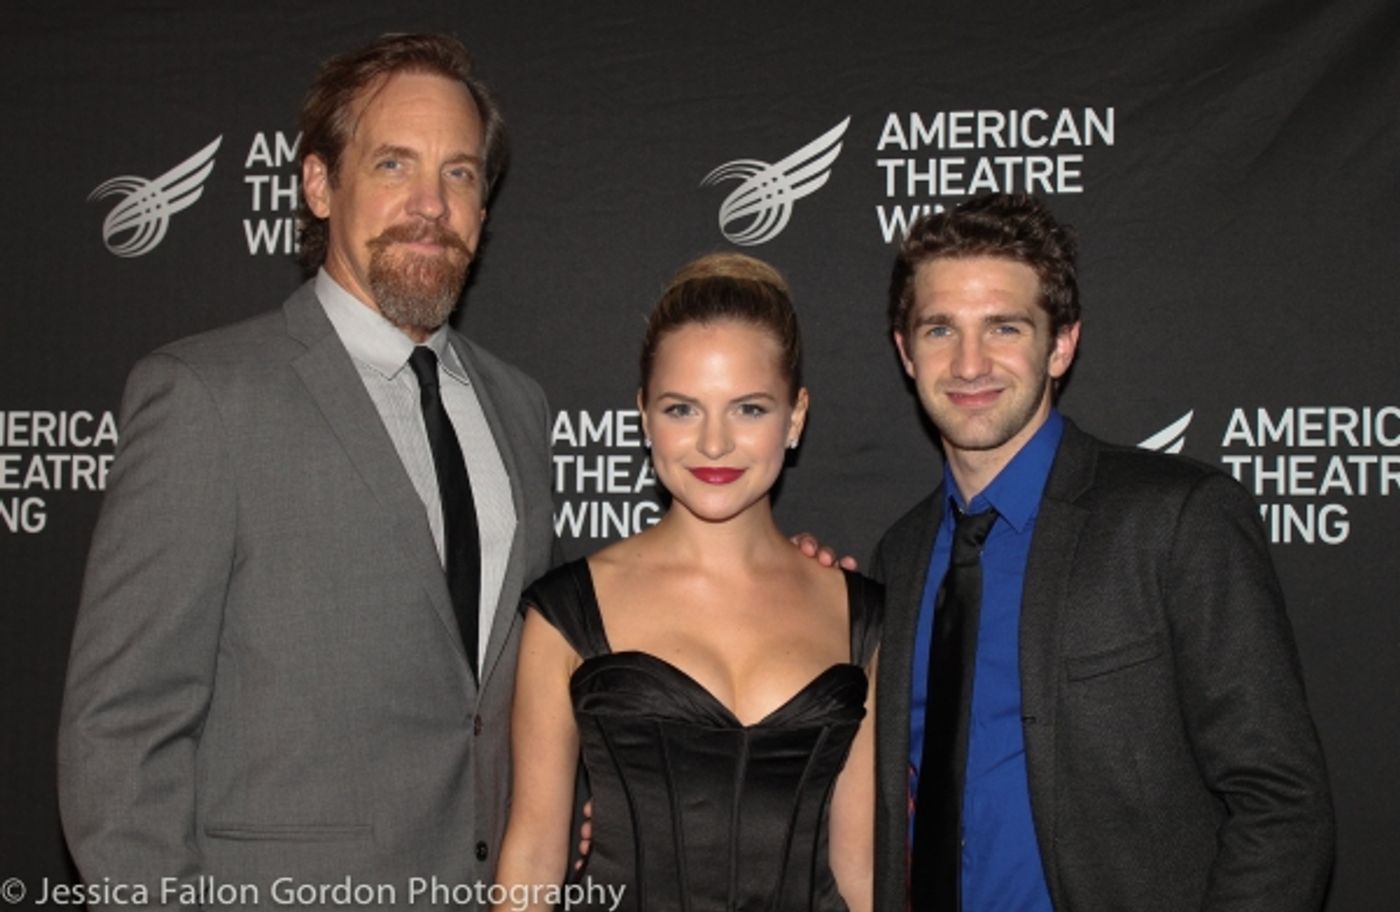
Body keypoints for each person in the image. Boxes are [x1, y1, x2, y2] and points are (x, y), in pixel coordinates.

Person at [58, 34, 554, 906]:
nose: (431, 204)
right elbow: (119, 735)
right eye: (394, 164)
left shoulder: (519, 408)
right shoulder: (206, 397)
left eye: (461, 173)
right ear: (320, 185)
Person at [871, 193, 1334, 911]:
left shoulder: (1175, 518)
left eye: (1004, 327)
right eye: (940, 329)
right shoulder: (899, 557)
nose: (969, 363)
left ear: (1060, 345)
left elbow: (1281, 803)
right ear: (906, 352)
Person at [491, 254, 879, 912]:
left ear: (795, 417)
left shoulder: (862, 616)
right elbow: (531, 860)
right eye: (682, 409)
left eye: (749, 408)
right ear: (644, 416)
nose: (714, 443)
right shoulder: (565, 612)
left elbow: (861, 874)